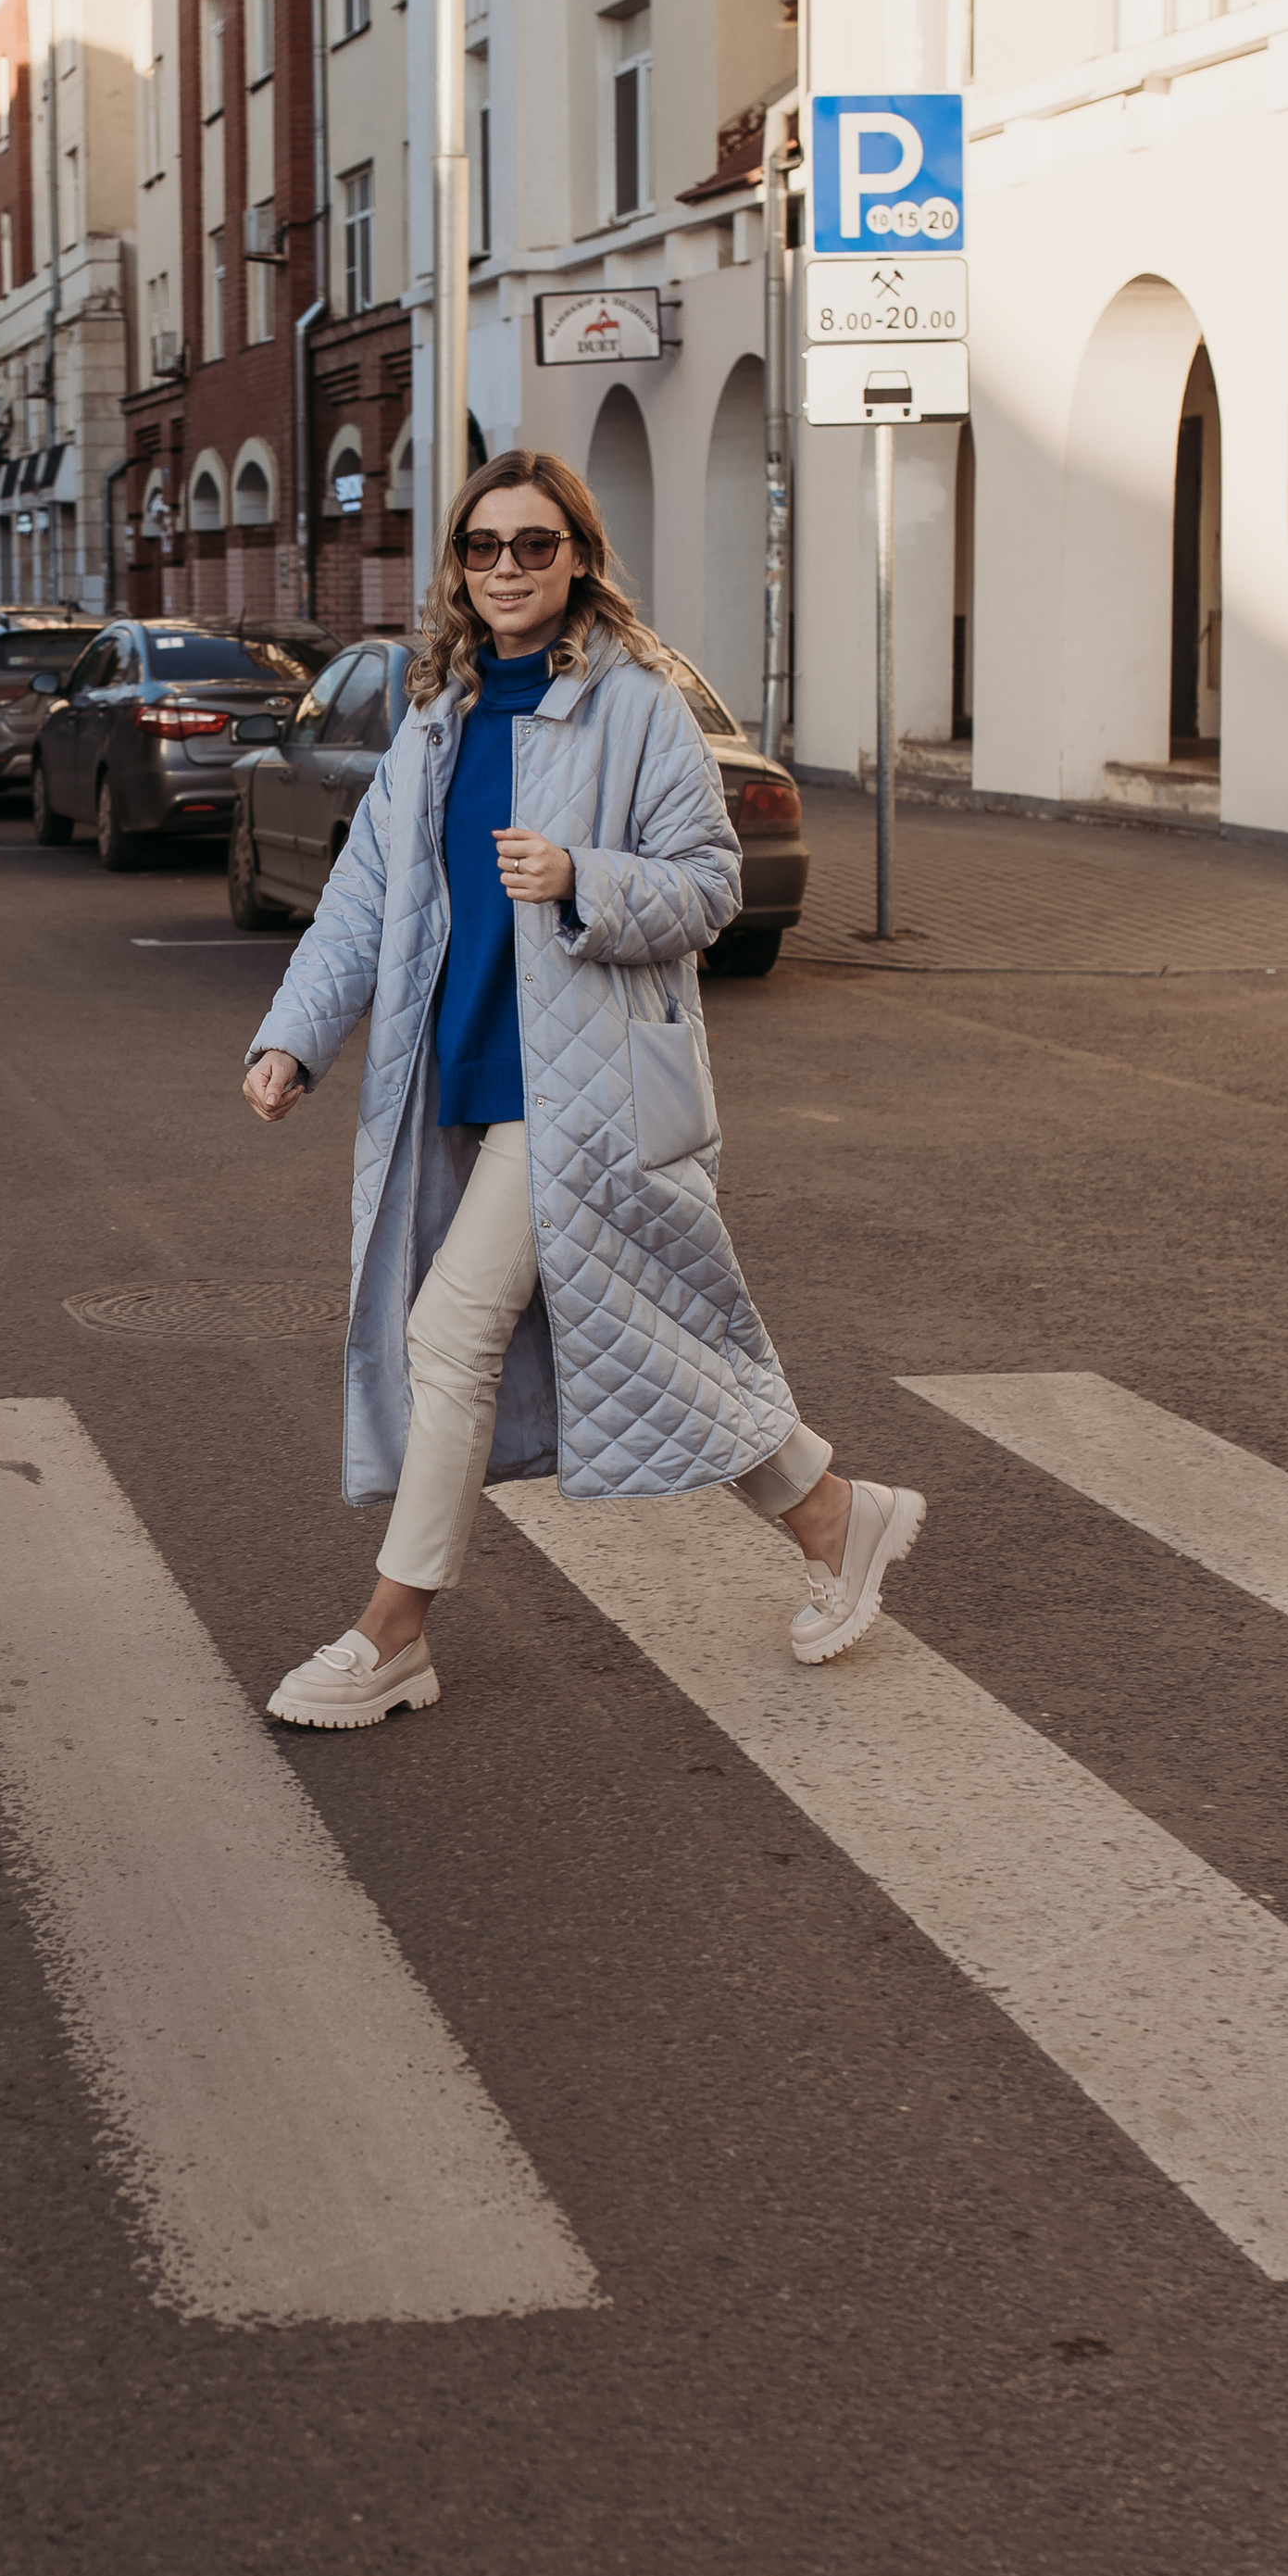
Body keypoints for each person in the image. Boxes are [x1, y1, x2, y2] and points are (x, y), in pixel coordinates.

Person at [244, 447, 925, 1730]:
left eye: (535, 545)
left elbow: (713, 886)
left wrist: (582, 880)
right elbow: (361, 905)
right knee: (644, 1339)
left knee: (451, 1336)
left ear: (579, 559)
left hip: (590, 1094)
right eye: (483, 546)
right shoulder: (437, 718)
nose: (507, 567)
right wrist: (292, 1040)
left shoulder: (639, 709)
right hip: (469, 1081)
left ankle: (393, 1634)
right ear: (456, 566)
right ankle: (841, 1516)